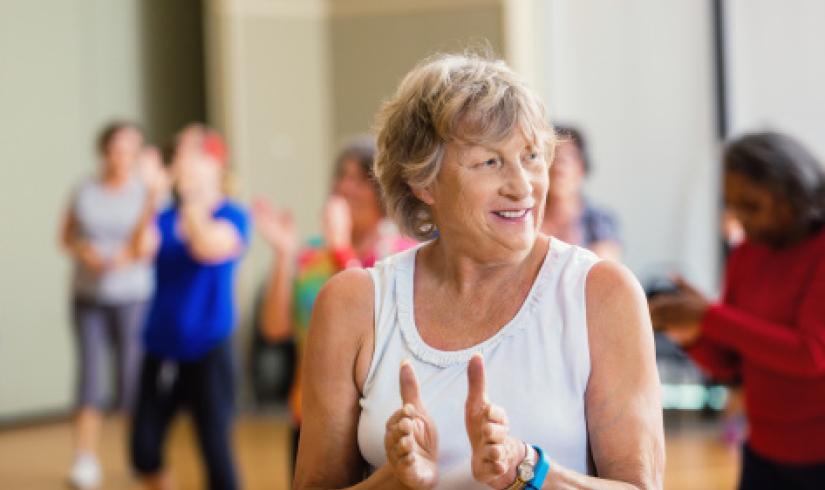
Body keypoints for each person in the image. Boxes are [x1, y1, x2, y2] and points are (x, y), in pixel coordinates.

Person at [293, 53, 664, 489]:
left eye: (531, 156)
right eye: (489, 162)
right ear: (423, 181)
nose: (522, 186)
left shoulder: (602, 293)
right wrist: (396, 479)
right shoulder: (354, 304)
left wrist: (528, 469)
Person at [651, 131, 825, 490]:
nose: (740, 219)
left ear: (794, 196)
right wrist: (691, 334)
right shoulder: (746, 254)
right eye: (732, 205)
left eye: (752, 206)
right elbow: (731, 364)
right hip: (764, 449)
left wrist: (710, 317)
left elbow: (812, 353)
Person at [253, 136, 417, 472]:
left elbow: (380, 322)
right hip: (309, 410)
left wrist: (342, 248)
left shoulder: (400, 252)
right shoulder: (312, 253)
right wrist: (284, 255)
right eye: (341, 176)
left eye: (360, 179)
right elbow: (275, 329)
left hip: (377, 415)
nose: (346, 186)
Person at [130, 125, 249, 490]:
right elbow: (139, 250)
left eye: (190, 153)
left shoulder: (233, 215)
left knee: (216, 452)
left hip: (210, 347)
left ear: (214, 162)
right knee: (144, 449)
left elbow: (206, 246)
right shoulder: (164, 216)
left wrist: (193, 196)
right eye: (179, 153)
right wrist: (151, 197)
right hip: (162, 347)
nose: (181, 160)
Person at [60, 121, 156, 489]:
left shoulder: (146, 193)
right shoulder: (84, 190)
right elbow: (67, 234)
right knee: (90, 374)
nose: (123, 157)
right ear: (104, 151)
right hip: (88, 297)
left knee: (132, 377)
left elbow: (149, 244)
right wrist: (85, 251)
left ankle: (140, 454)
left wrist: (124, 257)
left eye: (131, 149)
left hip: (133, 296)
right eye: (117, 149)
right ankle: (84, 457)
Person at [541, 125, 621, 260]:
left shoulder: (599, 220)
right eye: (551, 157)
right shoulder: (528, 217)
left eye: (566, 159)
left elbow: (603, 268)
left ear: (581, 168)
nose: (558, 167)